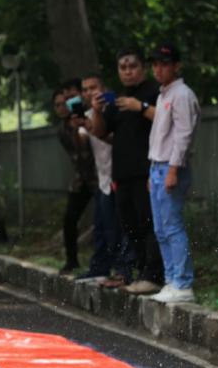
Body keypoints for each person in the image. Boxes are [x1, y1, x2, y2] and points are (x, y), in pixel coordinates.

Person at [90, 48, 164, 294]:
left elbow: (166, 120)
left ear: (143, 67)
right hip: (121, 174)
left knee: (150, 224)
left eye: (132, 66)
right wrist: (97, 111)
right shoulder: (118, 99)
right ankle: (140, 271)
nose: (128, 71)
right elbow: (100, 132)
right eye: (123, 67)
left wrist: (139, 106)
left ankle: (155, 275)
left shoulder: (154, 92)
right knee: (130, 226)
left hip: (148, 171)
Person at [146, 43, 199, 303]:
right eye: (155, 64)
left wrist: (173, 169)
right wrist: (152, 170)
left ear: (176, 66)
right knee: (160, 228)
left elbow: (183, 135)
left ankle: (183, 282)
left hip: (171, 166)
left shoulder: (182, 95)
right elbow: (159, 137)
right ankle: (171, 280)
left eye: (164, 64)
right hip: (158, 166)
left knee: (172, 225)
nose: (158, 69)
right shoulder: (163, 95)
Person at [76, 73, 133, 285]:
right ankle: (102, 267)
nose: (89, 92)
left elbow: (113, 139)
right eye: (85, 89)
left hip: (119, 176)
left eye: (93, 88)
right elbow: (81, 142)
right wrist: (77, 126)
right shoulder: (87, 115)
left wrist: (94, 121)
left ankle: (124, 270)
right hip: (102, 179)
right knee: (103, 226)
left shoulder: (115, 110)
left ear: (104, 89)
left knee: (122, 227)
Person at [55, 81, 97, 274]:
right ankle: (72, 260)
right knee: (69, 219)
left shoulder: (90, 116)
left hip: (98, 176)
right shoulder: (63, 129)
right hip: (81, 179)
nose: (63, 106)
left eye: (68, 101)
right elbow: (76, 151)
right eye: (59, 104)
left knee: (106, 220)